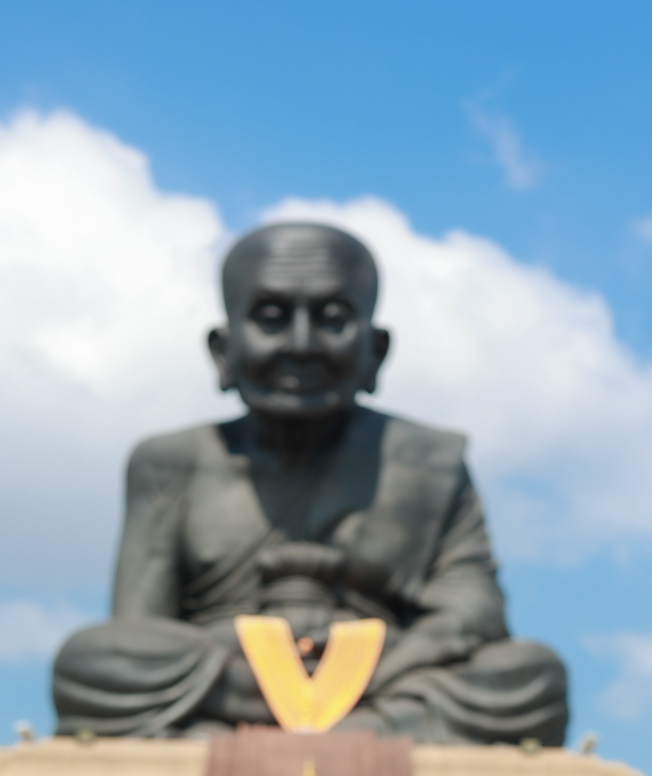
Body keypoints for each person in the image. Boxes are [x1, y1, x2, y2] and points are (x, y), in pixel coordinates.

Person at [51, 222, 568, 745]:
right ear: (223, 351)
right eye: (271, 318)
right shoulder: (170, 463)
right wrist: (250, 650)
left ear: (375, 351)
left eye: (333, 319)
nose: (301, 345)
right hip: (231, 675)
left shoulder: (428, 462)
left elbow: (475, 613)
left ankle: (265, 736)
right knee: (90, 660)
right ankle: (364, 734)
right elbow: (135, 631)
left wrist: (368, 660)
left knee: (531, 674)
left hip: (384, 676)